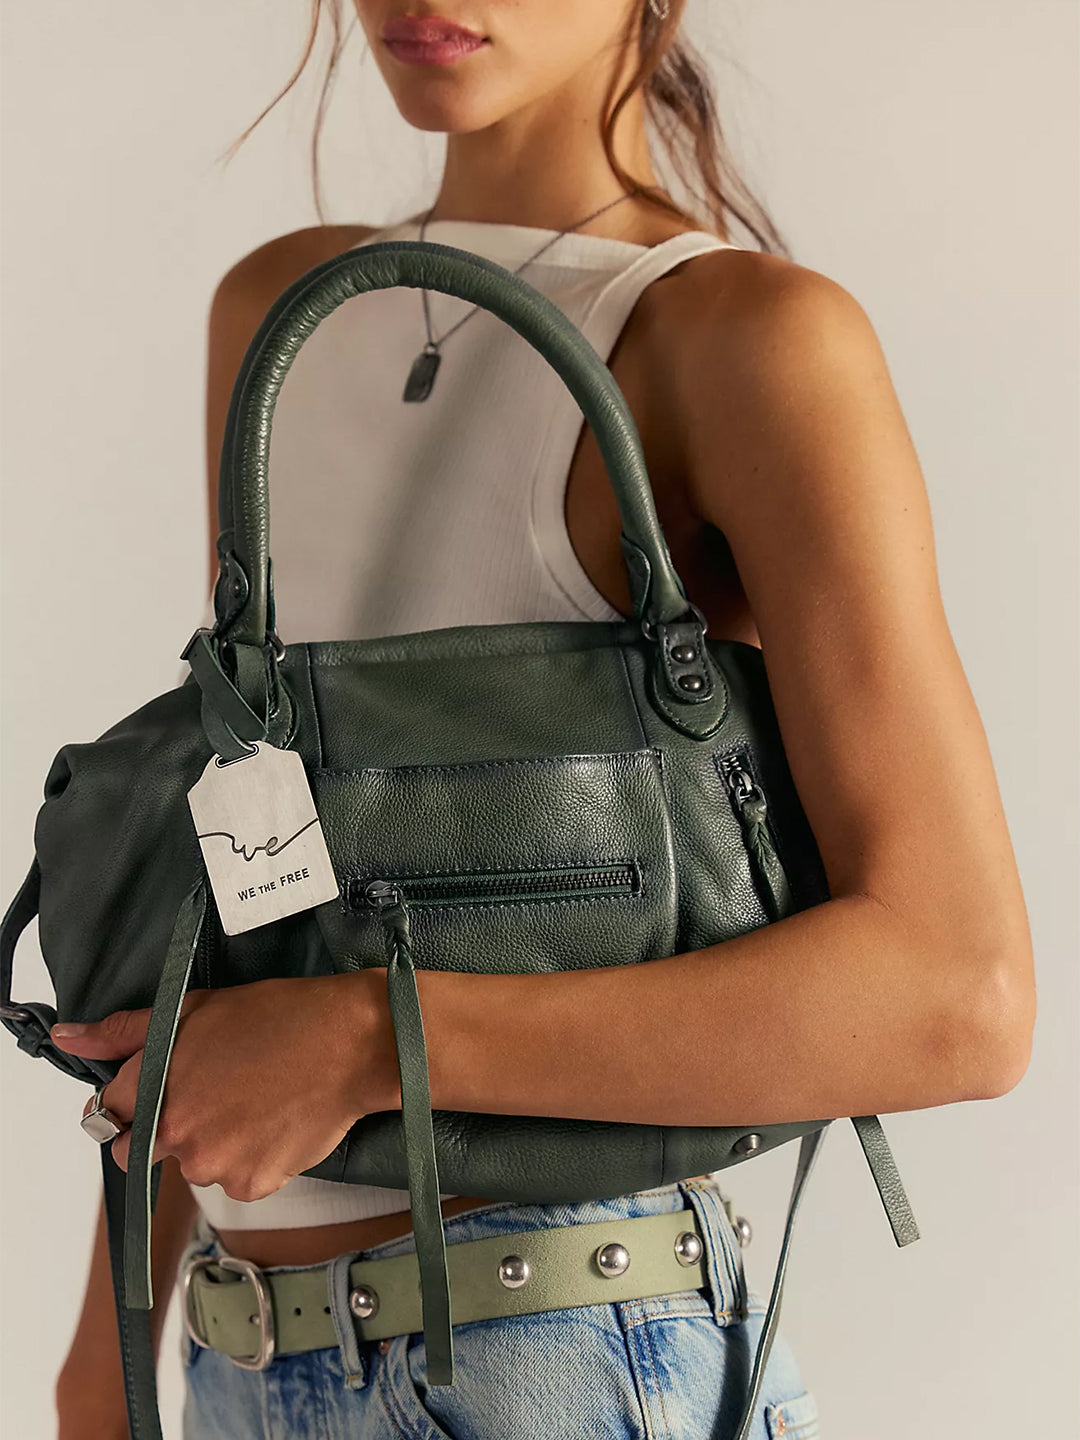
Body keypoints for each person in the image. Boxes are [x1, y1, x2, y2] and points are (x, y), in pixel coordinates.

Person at [52, 2, 1036, 1437]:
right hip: (232, 1358)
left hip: (566, 1358)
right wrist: (104, 1360)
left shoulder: (745, 342)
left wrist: (373, 1043)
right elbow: (245, 872)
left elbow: (957, 994)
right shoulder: (277, 312)